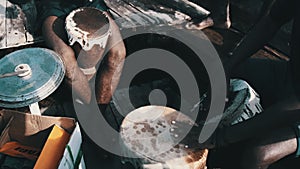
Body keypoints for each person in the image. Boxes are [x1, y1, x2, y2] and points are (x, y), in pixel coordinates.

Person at [175, 0, 300, 168]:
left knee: (258, 154)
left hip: (295, 106)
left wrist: (221, 138)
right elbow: (272, 20)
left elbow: (295, 107)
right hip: (290, 75)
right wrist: (227, 66)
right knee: (226, 72)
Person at [39, 0, 126, 106]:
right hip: (55, 7)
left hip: (91, 3)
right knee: (66, 60)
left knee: (118, 53)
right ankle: (94, 110)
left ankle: (99, 111)